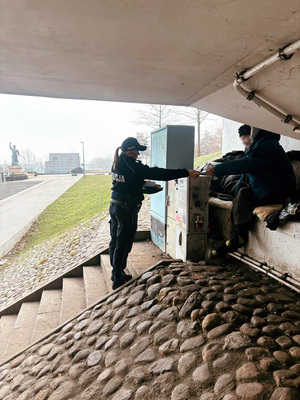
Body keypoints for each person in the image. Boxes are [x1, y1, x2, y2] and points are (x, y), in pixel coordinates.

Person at [109, 136, 200, 289]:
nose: (138, 154)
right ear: (131, 152)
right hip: (126, 209)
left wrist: (142, 187)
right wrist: (186, 173)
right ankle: (118, 277)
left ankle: (116, 272)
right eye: (137, 151)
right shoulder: (134, 166)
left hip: (115, 206)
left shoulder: (117, 163)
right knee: (123, 243)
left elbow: (126, 184)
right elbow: (160, 173)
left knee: (115, 241)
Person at [206, 128, 296, 255]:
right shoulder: (257, 147)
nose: (244, 141)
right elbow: (246, 175)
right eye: (242, 138)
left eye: (245, 137)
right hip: (267, 190)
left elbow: (246, 164)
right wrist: (235, 197)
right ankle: (238, 236)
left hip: (276, 192)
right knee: (242, 193)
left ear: (253, 134)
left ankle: (238, 237)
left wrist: (219, 169)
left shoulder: (267, 146)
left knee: (243, 194)